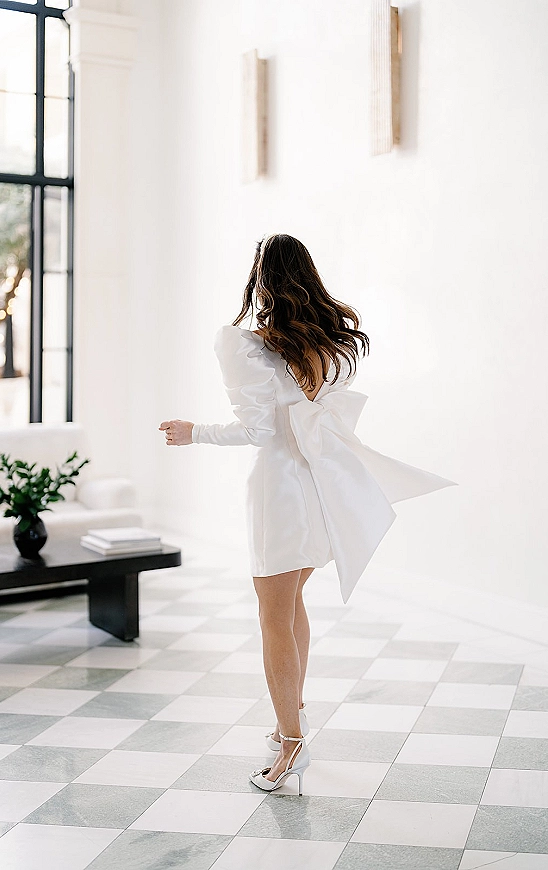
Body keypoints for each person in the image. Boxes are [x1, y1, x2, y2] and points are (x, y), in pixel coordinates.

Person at [159, 233, 456, 795]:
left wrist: (191, 432)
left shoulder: (244, 345)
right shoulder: (322, 344)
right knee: (291, 602)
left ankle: (290, 743)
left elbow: (257, 430)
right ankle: (286, 718)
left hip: (277, 490)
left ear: (261, 279)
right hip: (314, 487)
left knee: (273, 614)